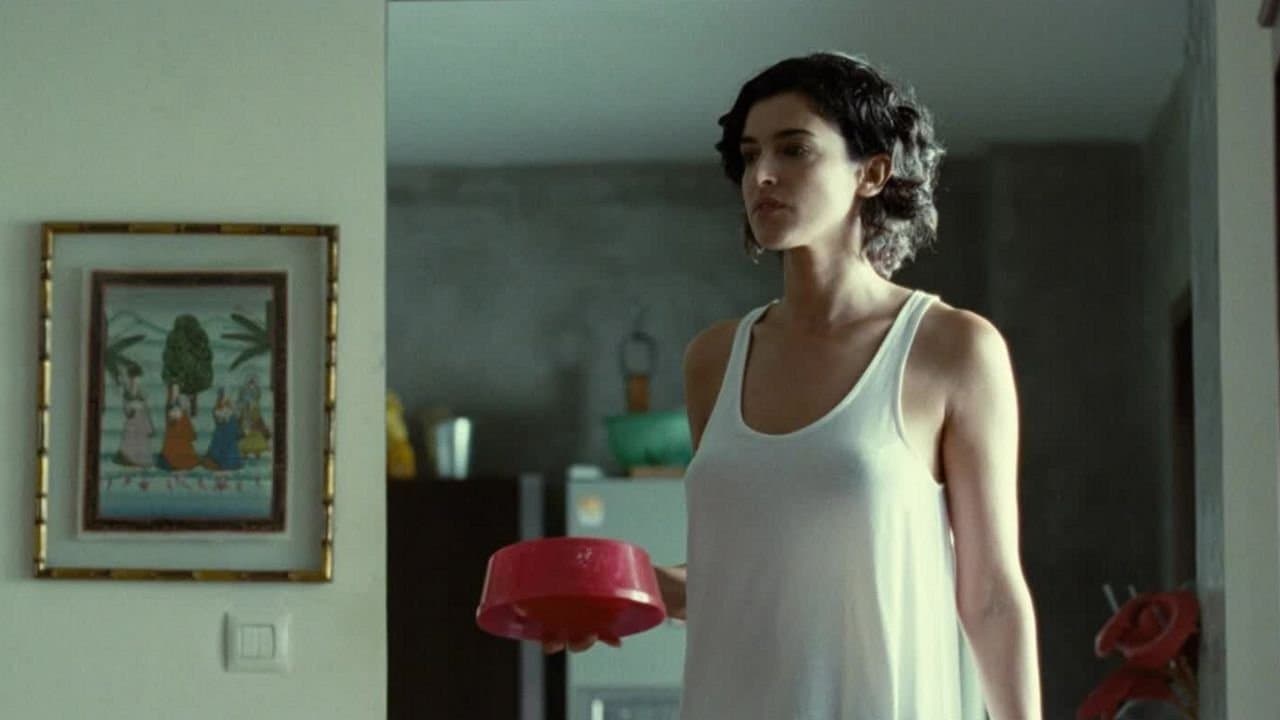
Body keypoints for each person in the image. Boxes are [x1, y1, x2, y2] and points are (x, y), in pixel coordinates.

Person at [545, 52, 1042, 719]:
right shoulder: (713, 359)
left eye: (794, 149)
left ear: (871, 173)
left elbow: (991, 597)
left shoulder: (953, 348)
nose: (762, 175)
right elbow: (754, 571)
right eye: (750, 155)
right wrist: (639, 587)